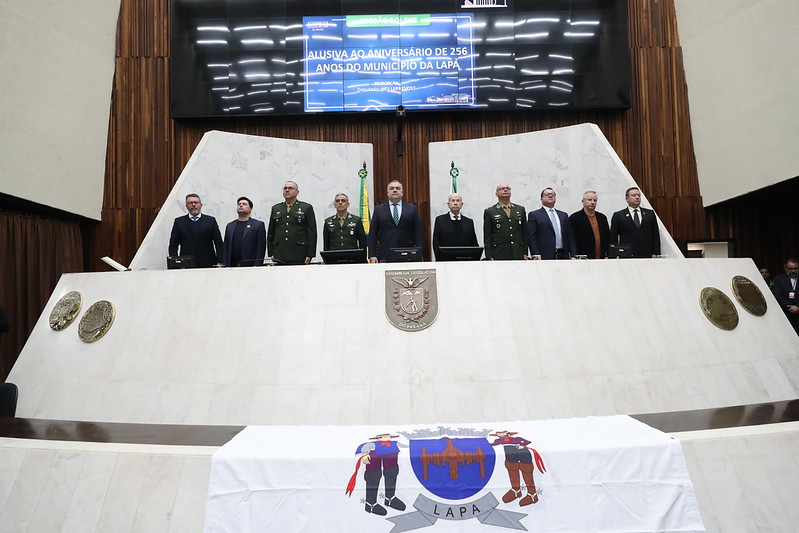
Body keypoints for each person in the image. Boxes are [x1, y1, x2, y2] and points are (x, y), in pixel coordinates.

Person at [367, 180, 424, 263]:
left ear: (402, 192)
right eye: (391, 188)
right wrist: (372, 255)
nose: (395, 190)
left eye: (398, 188)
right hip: (385, 254)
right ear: (387, 192)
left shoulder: (412, 209)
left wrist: (419, 253)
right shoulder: (379, 209)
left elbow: (419, 233)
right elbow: (373, 234)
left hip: (408, 254)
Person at [267, 181, 317, 265]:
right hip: (280, 252)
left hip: (299, 252)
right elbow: (271, 232)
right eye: (285, 188)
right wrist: (271, 252)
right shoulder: (276, 208)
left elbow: (312, 233)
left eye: (290, 188)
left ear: (297, 192)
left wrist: (310, 254)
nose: (287, 190)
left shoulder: (306, 208)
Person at [168, 193, 223, 267]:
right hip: (186, 263)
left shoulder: (210, 221)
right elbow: (173, 245)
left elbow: (218, 243)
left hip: (208, 263)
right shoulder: (179, 222)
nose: (193, 205)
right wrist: (175, 262)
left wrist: (220, 261)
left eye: (196, 202)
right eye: (190, 203)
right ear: (186, 206)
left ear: (201, 205)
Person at [609, 187, 661, 258]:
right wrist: (614, 254)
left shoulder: (650, 214)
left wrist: (655, 252)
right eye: (634, 195)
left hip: (647, 254)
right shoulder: (618, 215)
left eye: (639, 195)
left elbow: (655, 234)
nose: (637, 197)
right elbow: (613, 237)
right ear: (626, 198)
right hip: (626, 255)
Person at [527, 187, 576, 260]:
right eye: (547, 194)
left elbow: (570, 236)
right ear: (541, 199)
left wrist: (573, 255)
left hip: (563, 254)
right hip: (544, 255)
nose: (550, 196)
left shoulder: (563, 215)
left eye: (552, 194)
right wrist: (535, 254)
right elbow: (531, 237)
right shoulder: (534, 215)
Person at [483, 183, 528, 260]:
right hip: (499, 253)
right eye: (502, 189)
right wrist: (489, 256)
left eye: (508, 188)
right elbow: (488, 236)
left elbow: (524, 233)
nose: (505, 190)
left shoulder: (520, 209)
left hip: (517, 252)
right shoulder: (490, 211)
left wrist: (525, 253)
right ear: (496, 194)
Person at [432, 193, 479, 260]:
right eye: (453, 200)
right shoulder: (440, 220)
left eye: (458, 200)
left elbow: (474, 243)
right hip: (445, 260)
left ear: (462, 204)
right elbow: (436, 242)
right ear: (448, 204)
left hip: (465, 261)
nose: (455, 203)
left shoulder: (469, 222)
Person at [222, 196, 266, 267]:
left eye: (244, 204)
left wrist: (258, 265)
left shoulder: (258, 225)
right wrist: (225, 264)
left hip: (250, 265)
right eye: (239, 204)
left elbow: (261, 248)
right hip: (232, 265)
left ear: (250, 208)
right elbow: (226, 247)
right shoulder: (230, 226)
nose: (241, 205)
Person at [569, 190, 610, 259]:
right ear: (583, 201)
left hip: (601, 258)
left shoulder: (602, 217)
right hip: (583, 257)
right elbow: (572, 239)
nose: (592, 202)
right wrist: (573, 255)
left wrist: (608, 254)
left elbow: (607, 237)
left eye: (595, 200)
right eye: (589, 200)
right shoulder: (575, 218)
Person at [771, 258, 799, 335]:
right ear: (786, 269)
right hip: (786, 313)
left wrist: (797, 306)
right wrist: (789, 307)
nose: (793, 271)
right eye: (790, 269)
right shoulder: (779, 279)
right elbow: (777, 295)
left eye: (795, 268)